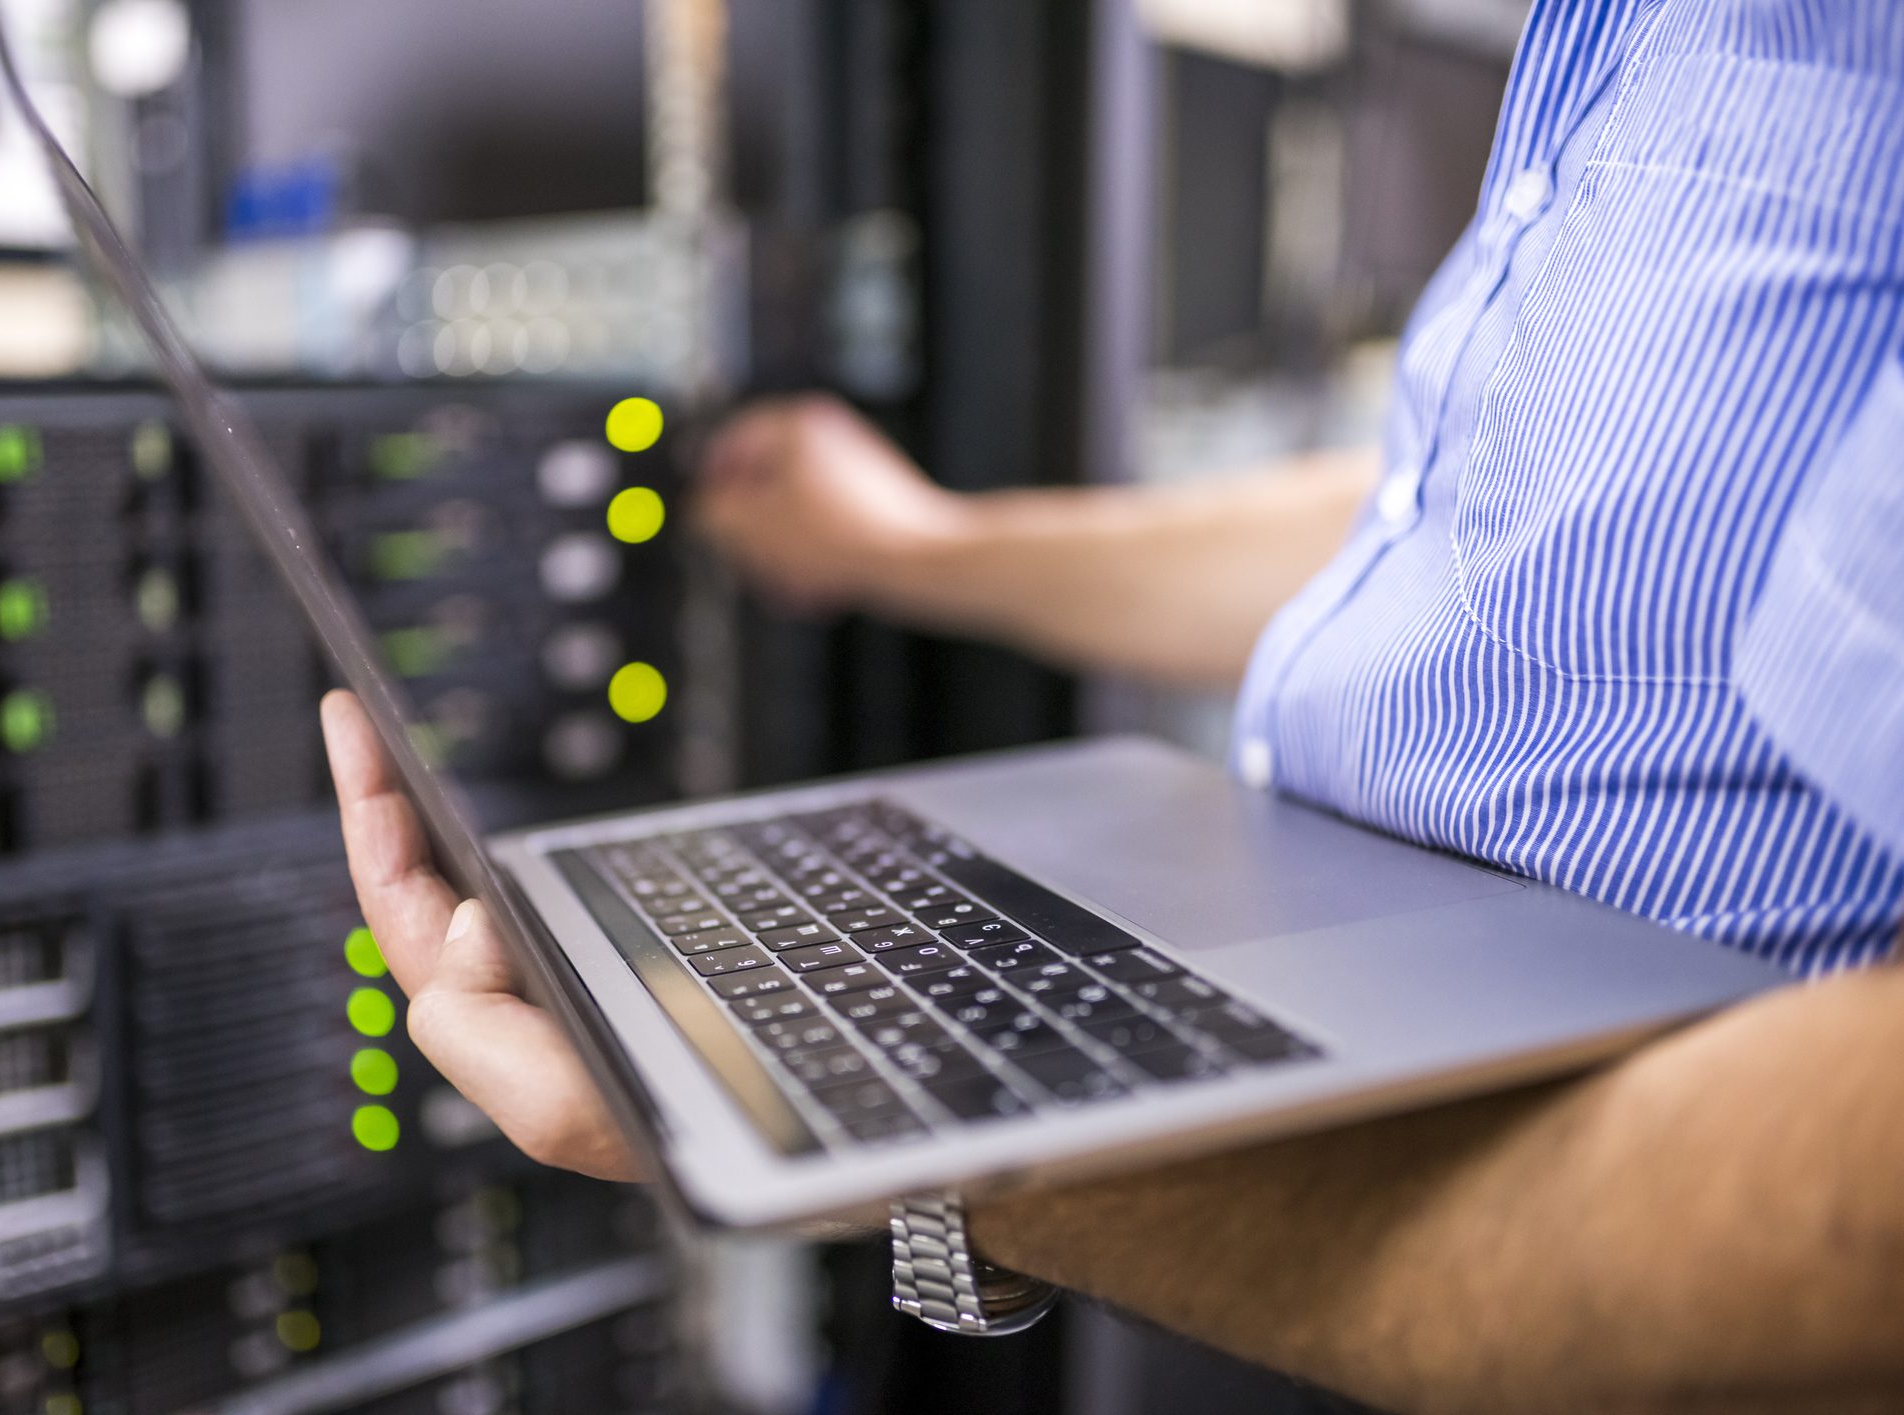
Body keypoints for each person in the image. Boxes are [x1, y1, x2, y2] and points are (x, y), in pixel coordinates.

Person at [319, 3, 1904, 1410]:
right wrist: (916, 549)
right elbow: (1491, 542)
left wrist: (932, 1134)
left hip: (1588, 1274)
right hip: (1366, 1160)